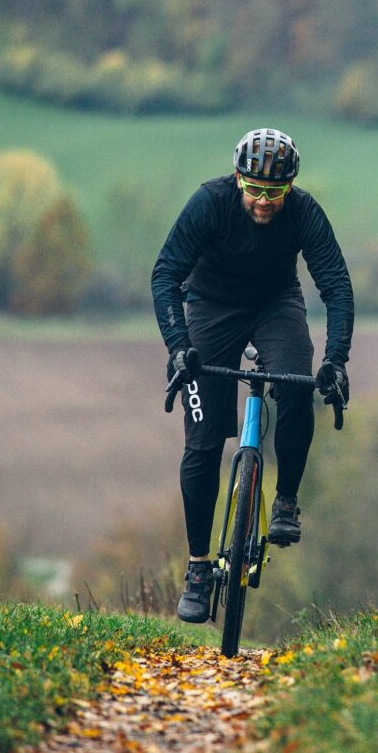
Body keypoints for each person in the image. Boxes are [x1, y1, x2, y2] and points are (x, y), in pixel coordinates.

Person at [151, 128, 353, 623]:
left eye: (276, 193)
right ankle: (199, 568)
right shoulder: (209, 203)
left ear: (290, 188)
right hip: (209, 306)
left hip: (274, 305)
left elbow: (336, 286)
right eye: (255, 190)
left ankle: (285, 501)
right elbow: (166, 274)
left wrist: (338, 358)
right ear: (238, 180)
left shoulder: (305, 213)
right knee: (201, 441)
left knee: (295, 383)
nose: (264, 202)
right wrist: (179, 349)